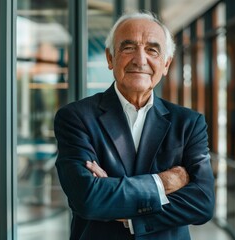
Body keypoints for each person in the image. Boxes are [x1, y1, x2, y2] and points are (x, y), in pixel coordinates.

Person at [54, 11, 215, 240]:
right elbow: (87, 198)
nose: (140, 59)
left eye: (152, 50)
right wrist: (163, 182)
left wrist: (127, 211)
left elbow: (202, 203)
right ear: (110, 58)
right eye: (128, 48)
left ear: (166, 64)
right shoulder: (76, 118)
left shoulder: (189, 123)